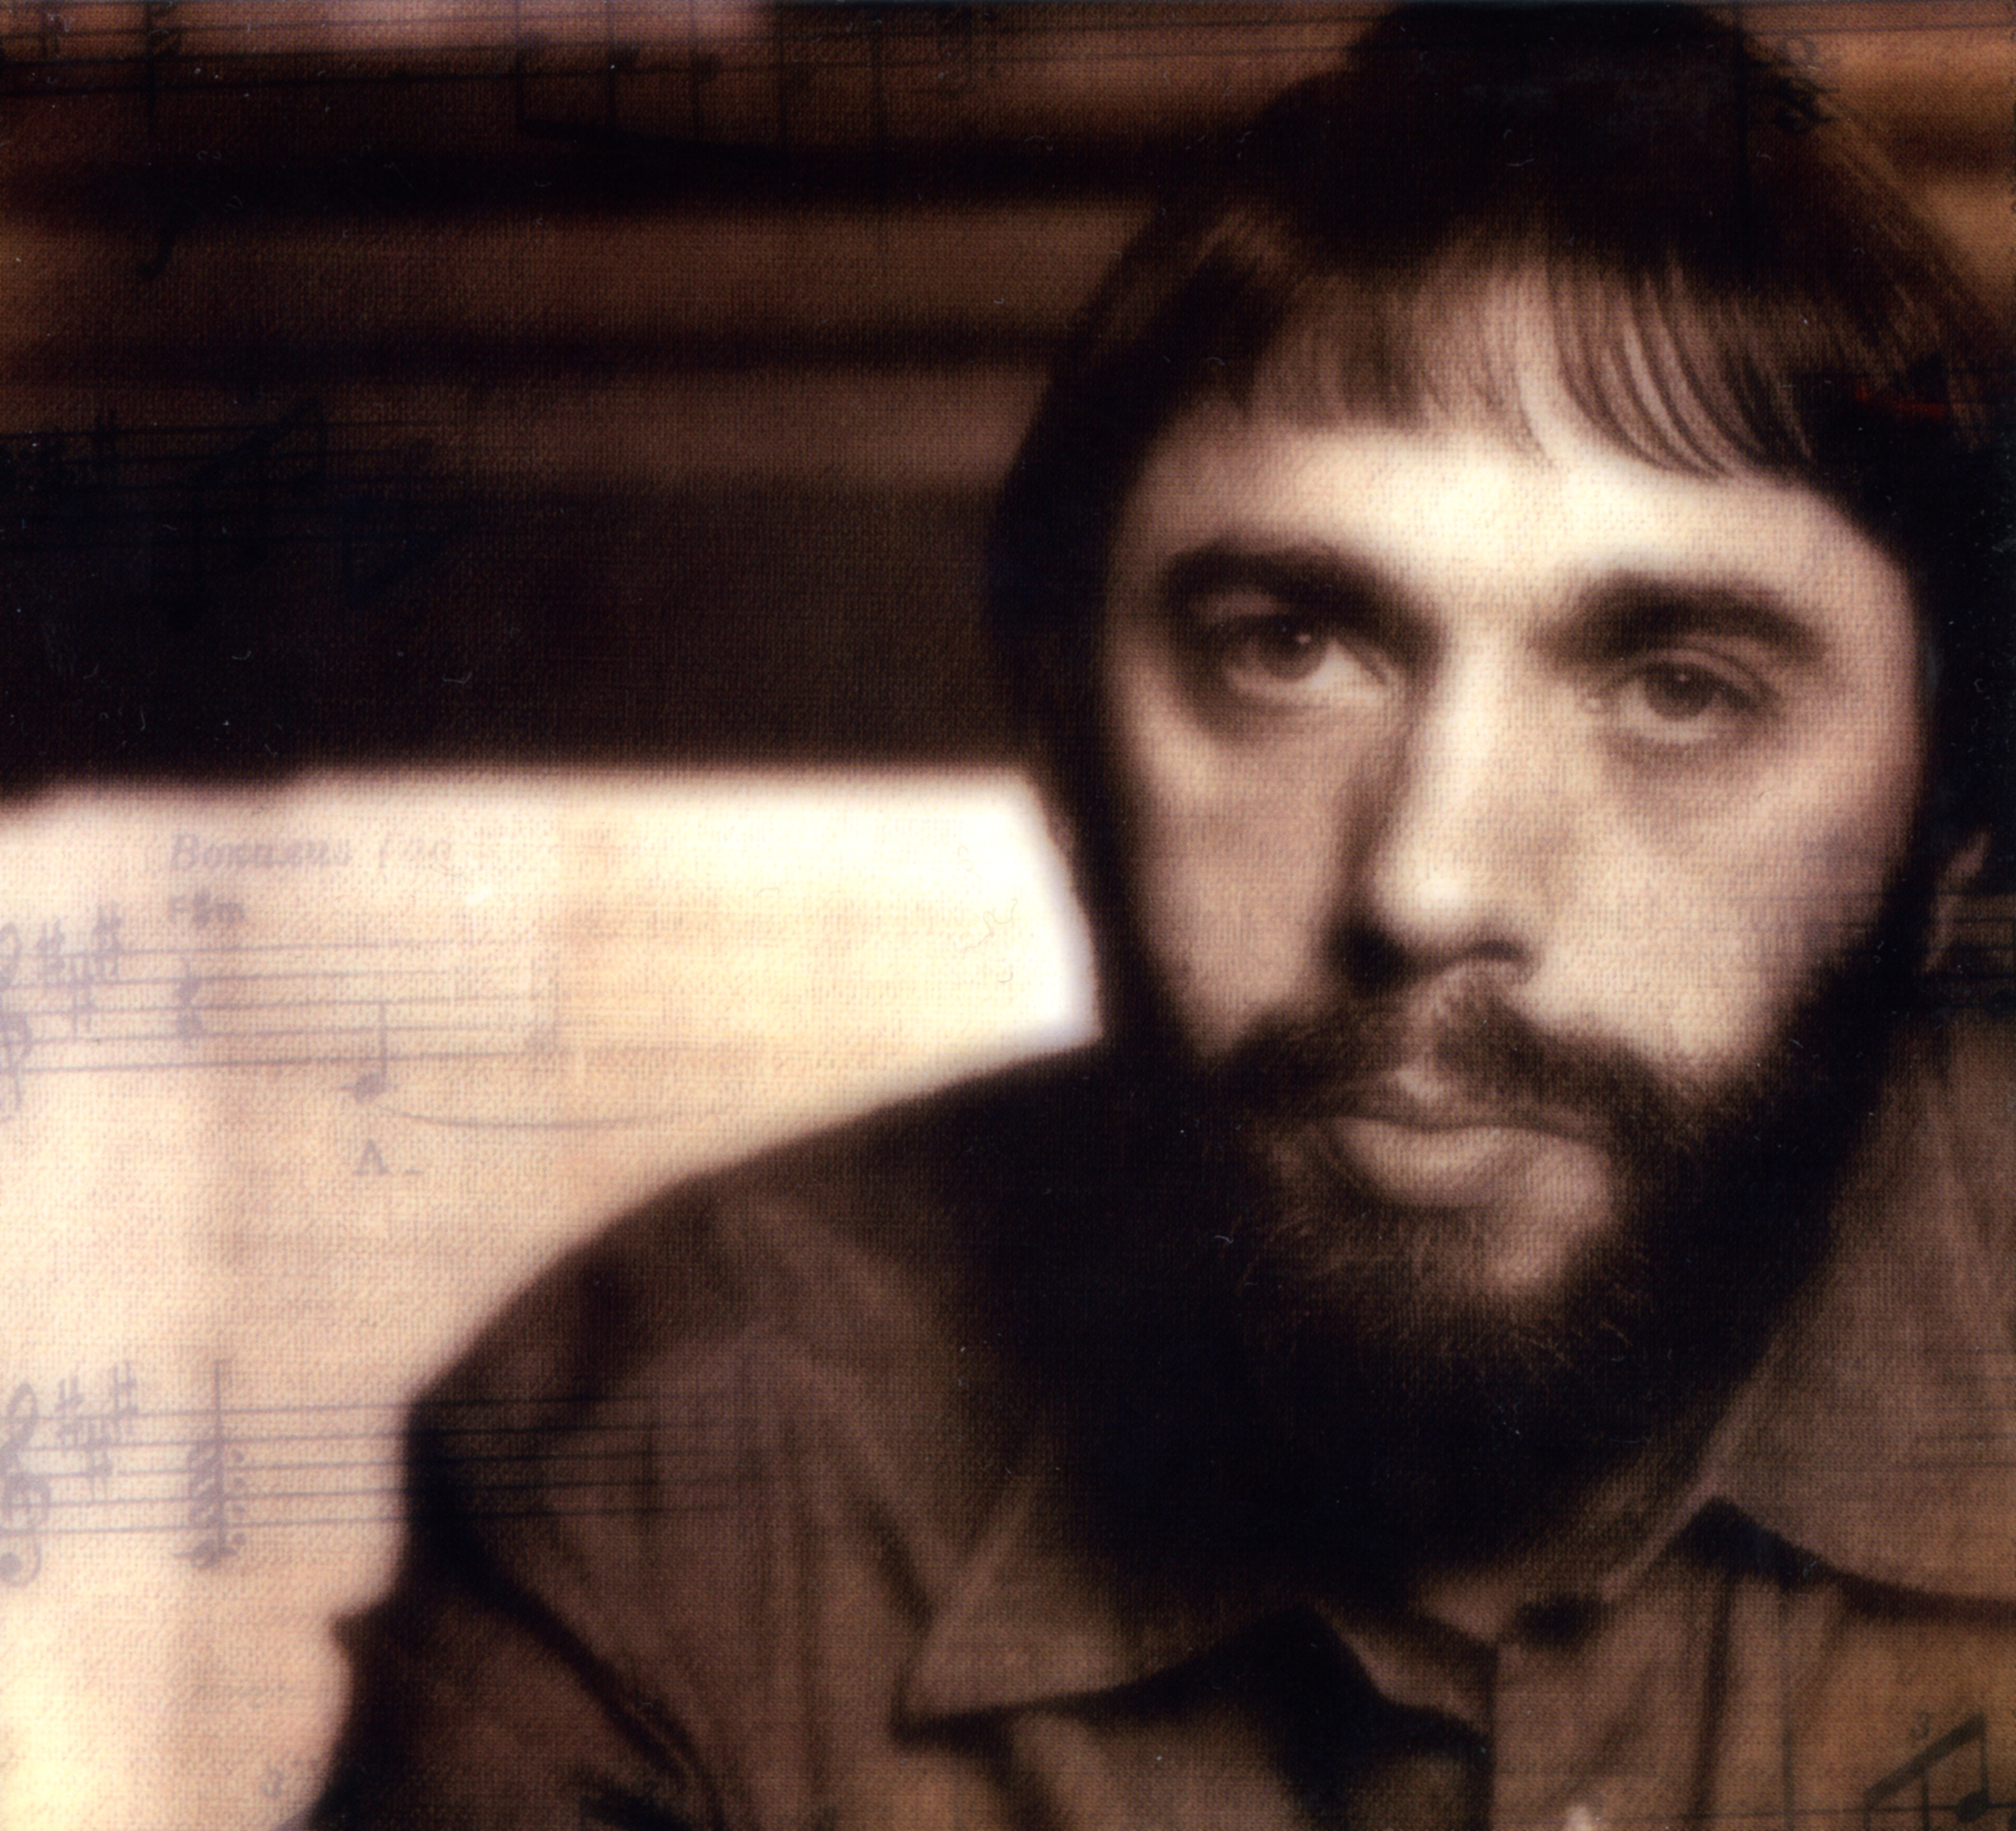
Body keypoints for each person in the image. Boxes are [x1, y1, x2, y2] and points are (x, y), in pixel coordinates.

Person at [312, 7, 2015, 1827]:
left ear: (1953, 838)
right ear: (1068, 749)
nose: (1425, 885)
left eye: (1680, 688)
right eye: (1289, 648)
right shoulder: (681, 1463)